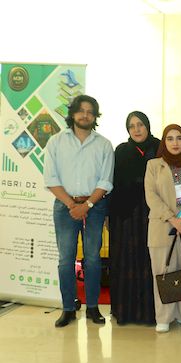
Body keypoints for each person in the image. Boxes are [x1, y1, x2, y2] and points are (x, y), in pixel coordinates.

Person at [44, 95, 114, 327]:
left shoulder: (104, 144)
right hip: (65, 206)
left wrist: (87, 205)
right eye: (81, 110)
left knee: (93, 259)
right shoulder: (56, 142)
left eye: (90, 111)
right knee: (66, 260)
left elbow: (106, 181)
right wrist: (72, 205)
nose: (85, 115)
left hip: (95, 206)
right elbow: (51, 179)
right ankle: (68, 309)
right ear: (73, 113)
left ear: (95, 116)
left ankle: (93, 307)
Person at [144, 124, 181, 333]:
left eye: (179, 138)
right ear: (164, 142)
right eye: (170, 138)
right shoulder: (154, 165)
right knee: (163, 271)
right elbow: (151, 196)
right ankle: (164, 317)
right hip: (163, 226)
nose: (175, 143)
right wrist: (172, 219)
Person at [109, 111, 159, 325]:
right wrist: (110, 215)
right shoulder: (121, 150)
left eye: (140, 124)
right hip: (126, 216)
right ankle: (126, 313)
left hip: (155, 214)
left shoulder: (160, 147)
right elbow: (114, 183)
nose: (137, 129)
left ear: (147, 126)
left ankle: (151, 313)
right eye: (132, 126)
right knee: (126, 262)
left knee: (151, 262)